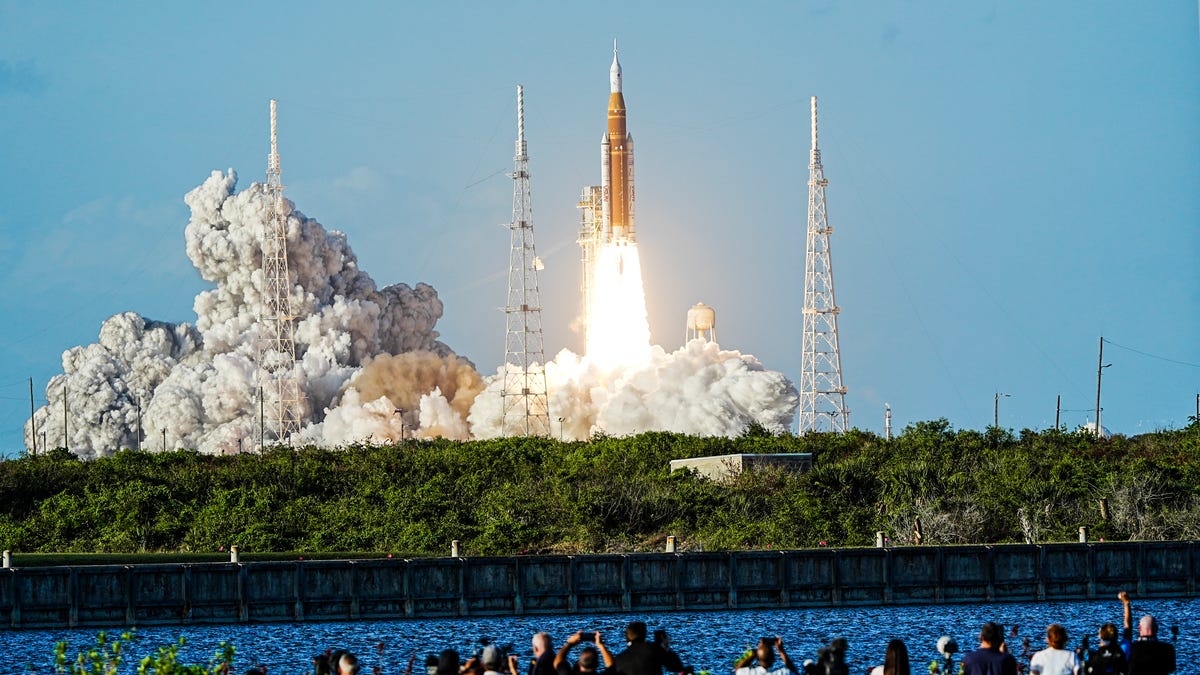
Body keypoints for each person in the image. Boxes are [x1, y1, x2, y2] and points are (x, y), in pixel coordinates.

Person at [1119, 590, 1175, 675]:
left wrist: (1126, 604)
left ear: (1139, 628)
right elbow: (1171, 669)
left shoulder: (1131, 648)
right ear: (1156, 629)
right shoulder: (1167, 649)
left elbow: (1128, 629)